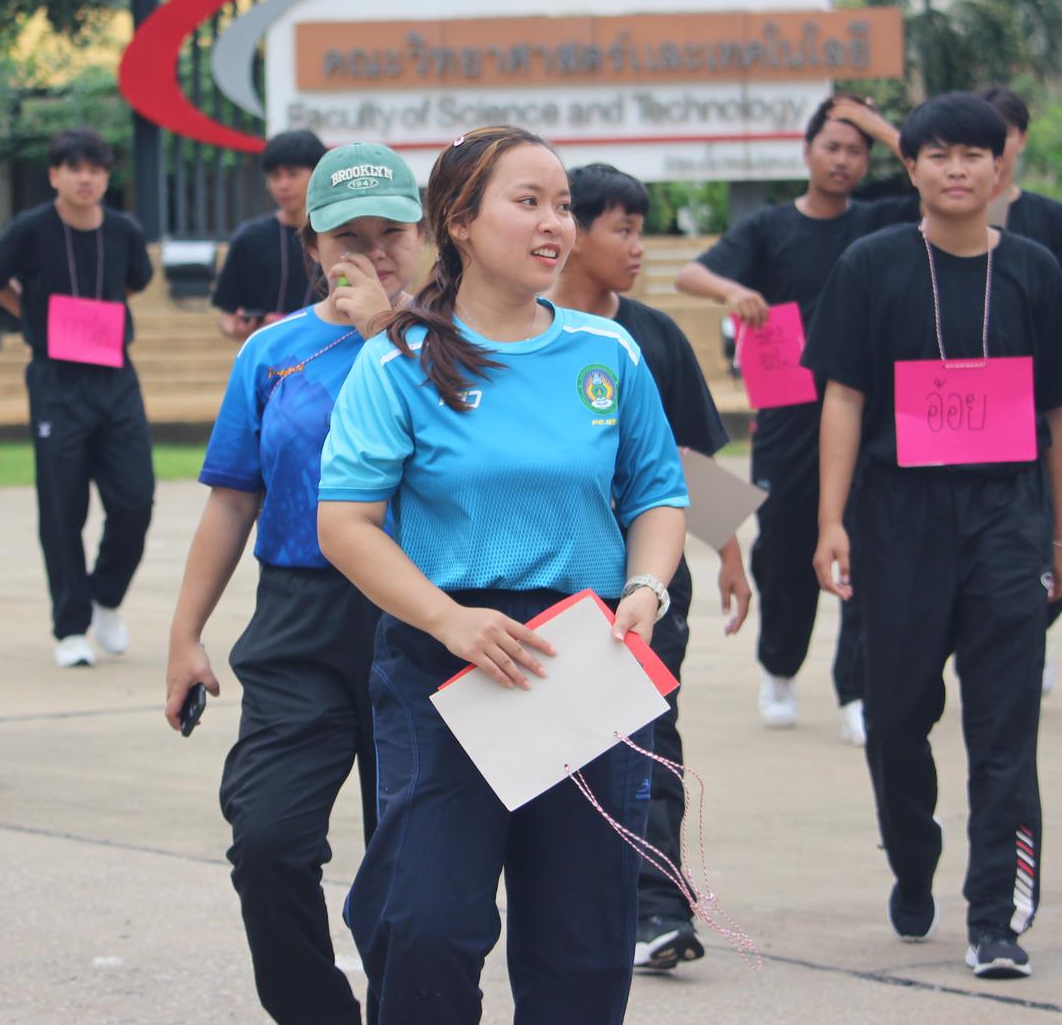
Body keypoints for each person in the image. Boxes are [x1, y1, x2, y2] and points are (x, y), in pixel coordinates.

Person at [317, 126, 689, 1024]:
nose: (555, 223)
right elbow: (345, 525)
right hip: (449, 660)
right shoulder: (397, 361)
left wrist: (647, 589)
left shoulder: (610, 354)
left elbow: (660, 494)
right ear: (460, 221)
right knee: (427, 922)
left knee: (583, 933)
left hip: (582, 656)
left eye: (562, 204)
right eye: (529, 202)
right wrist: (451, 622)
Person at [805, 92, 1062, 980]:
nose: (958, 170)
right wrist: (831, 520)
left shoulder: (1033, 268)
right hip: (899, 522)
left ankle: (994, 914)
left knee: (1005, 724)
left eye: (975, 155)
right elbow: (841, 396)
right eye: (939, 155)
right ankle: (913, 854)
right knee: (895, 719)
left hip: (1007, 518)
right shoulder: (873, 264)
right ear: (912, 167)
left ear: (1001, 166)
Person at [165, 142, 425, 1024]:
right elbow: (233, 500)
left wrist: (381, 331)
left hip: (424, 622)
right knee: (269, 842)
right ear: (312, 245)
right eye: (349, 236)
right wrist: (185, 632)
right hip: (299, 619)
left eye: (392, 232)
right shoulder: (273, 352)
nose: (375, 252)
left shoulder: (457, 341)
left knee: (416, 871)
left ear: (428, 234)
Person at [551, 162, 752, 974]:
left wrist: (730, 550)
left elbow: (687, 458)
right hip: (553, 586)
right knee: (561, 751)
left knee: (648, 737)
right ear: (574, 233)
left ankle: (660, 906)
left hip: (649, 586)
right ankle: (572, 895)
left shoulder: (654, 334)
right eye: (622, 229)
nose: (637, 247)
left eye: (642, 228)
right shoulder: (523, 333)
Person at [675, 94, 909, 738]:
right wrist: (735, 291)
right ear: (806, 153)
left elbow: (935, 175)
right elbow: (693, 274)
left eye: (856, 150)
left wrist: (880, 125)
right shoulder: (770, 228)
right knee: (782, 550)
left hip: (872, 410)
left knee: (870, 543)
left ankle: (856, 689)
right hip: (788, 413)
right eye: (832, 146)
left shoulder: (883, 221)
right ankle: (778, 667)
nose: (843, 159)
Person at [0, 129, 155, 667]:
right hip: (56, 379)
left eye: (97, 169)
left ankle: (105, 596)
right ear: (55, 174)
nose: (86, 178)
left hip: (114, 376)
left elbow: (134, 283)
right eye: (74, 168)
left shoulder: (123, 230)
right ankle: (70, 627)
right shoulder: (32, 229)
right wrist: (32, 315)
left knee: (134, 499)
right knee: (62, 506)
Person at [214, 130, 328, 339]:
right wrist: (239, 329)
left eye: (293, 174)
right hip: (269, 358)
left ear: (317, 175)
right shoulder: (249, 239)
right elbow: (227, 316)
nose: (283, 185)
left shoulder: (339, 236)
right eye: (275, 176)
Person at [978, 85, 1062, 297]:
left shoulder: (1054, 218)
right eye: (980, 134)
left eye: (1002, 134)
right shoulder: (946, 218)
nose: (992, 145)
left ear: (1022, 139)